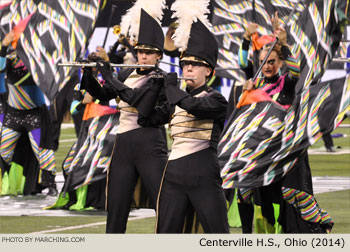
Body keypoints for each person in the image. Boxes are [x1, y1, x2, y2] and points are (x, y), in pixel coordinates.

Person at [240, 17, 333, 233]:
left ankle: (308, 233)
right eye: (264, 62)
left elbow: (296, 71)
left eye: (272, 61)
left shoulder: (287, 84)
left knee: (293, 202)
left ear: (279, 62)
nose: (267, 66)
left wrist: (285, 44)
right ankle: (247, 237)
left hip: (288, 154)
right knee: (245, 191)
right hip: (263, 154)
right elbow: (244, 64)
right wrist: (246, 40)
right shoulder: (255, 86)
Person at [139, 18, 229, 233]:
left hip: (204, 175)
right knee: (166, 234)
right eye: (185, 64)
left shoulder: (216, 99)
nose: (188, 68)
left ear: (208, 71)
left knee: (219, 234)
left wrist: (171, 88)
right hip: (173, 176)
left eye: (195, 64)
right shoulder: (175, 98)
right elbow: (145, 119)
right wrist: (154, 89)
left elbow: (194, 106)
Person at [82, 9, 168, 233]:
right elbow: (101, 95)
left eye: (149, 53)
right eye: (140, 51)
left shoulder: (163, 79)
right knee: (116, 206)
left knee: (164, 203)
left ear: (159, 55)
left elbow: (138, 101)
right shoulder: (126, 73)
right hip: (123, 145)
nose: (143, 56)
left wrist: (109, 74)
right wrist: (88, 74)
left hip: (150, 143)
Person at [0, 31, 57, 196]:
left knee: (42, 151)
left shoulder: (38, 62)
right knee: (4, 151)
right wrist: (3, 47)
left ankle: (51, 184)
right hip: (14, 114)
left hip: (34, 115)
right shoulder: (9, 59)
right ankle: (10, 181)